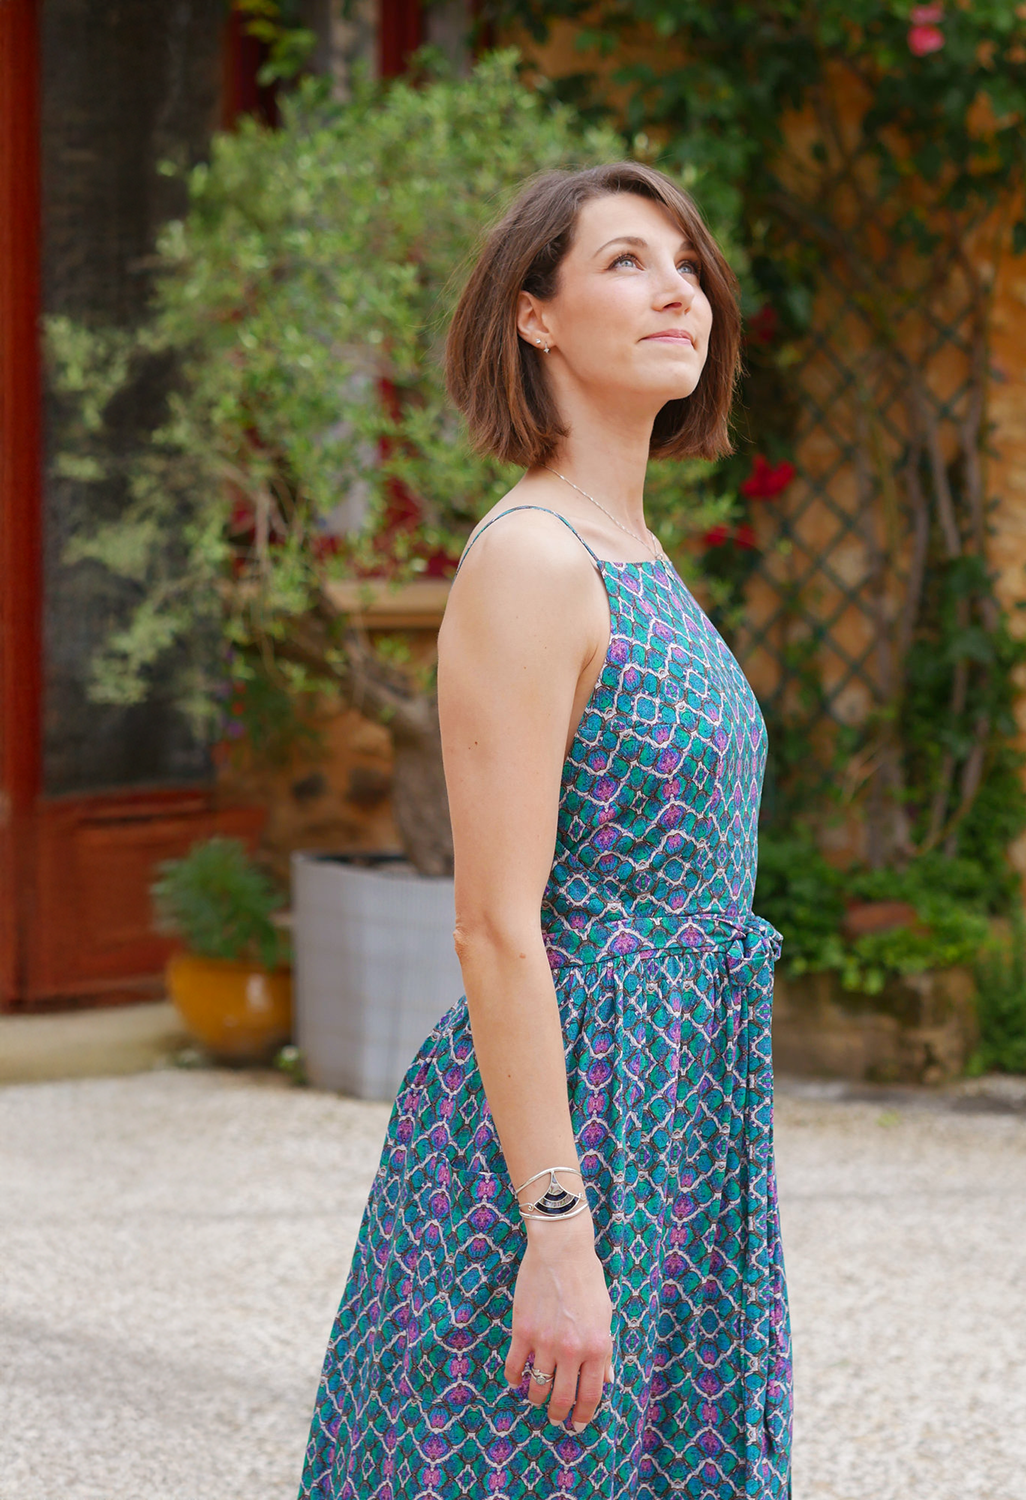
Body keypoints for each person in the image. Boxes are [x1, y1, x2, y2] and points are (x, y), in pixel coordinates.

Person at [298, 161, 792, 1500]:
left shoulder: (632, 552)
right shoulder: (532, 558)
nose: (677, 291)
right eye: (627, 262)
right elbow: (495, 927)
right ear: (535, 315)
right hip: (569, 1131)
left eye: (688, 266)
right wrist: (558, 1231)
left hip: (680, 1120)